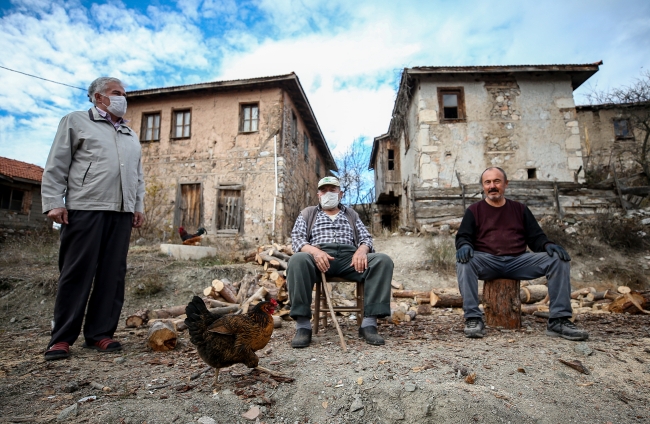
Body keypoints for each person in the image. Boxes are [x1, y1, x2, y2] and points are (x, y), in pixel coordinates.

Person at [41, 77, 145, 360]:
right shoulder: (75, 121)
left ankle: (100, 334)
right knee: (76, 273)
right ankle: (61, 338)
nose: (123, 98)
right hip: (85, 207)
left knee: (113, 275)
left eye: (124, 94)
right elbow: (56, 163)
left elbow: (138, 176)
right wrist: (53, 202)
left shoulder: (129, 134)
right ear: (99, 97)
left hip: (121, 212)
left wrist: (138, 206)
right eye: (116, 93)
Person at [455, 167, 588, 341]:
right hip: (488, 262)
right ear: (483, 186)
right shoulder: (474, 210)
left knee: (558, 259)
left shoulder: (520, 209)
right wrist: (464, 245)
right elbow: (463, 236)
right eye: (488, 182)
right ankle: (473, 318)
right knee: (464, 261)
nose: (492, 186)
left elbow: (536, 237)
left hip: (518, 261)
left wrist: (547, 244)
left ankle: (559, 320)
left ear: (506, 184)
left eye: (497, 181)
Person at [287, 176, 393, 348]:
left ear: (341, 194)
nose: (328, 193)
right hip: (318, 258)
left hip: (349, 259)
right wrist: (314, 251)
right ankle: (303, 327)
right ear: (318, 195)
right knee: (297, 259)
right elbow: (297, 240)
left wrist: (361, 250)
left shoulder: (351, 214)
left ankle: (369, 324)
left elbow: (366, 238)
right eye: (324, 190)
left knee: (382, 261)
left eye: (332, 190)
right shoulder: (308, 213)